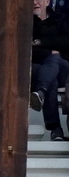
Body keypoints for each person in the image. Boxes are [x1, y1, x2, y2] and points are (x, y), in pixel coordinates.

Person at [30, 0, 69, 141]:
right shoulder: (27, 24)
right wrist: (51, 50)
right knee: (50, 77)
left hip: (62, 68)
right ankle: (56, 130)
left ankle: (41, 93)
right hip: (36, 69)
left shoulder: (59, 19)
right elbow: (26, 49)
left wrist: (41, 43)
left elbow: (66, 42)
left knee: (55, 60)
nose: (35, 2)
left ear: (47, 2)